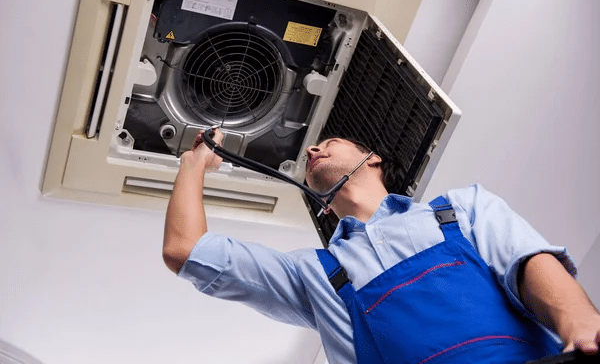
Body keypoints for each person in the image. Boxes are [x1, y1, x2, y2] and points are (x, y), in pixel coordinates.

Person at [163, 129, 600, 364]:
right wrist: (194, 163)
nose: (314, 148)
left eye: (329, 142)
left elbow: (530, 263)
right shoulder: (315, 273)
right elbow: (186, 250)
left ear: (372, 158)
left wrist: (580, 323)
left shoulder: (461, 209)